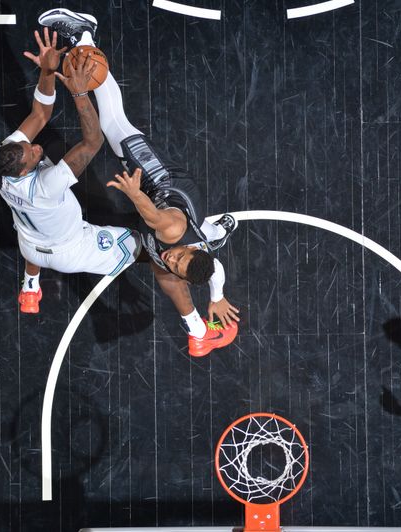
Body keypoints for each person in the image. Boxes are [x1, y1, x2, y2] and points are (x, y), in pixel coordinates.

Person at [38, 8, 240, 357]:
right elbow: (153, 218)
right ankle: (85, 36)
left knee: (166, 278)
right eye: (178, 258)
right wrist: (135, 192)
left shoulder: (193, 263)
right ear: (189, 248)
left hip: (184, 216)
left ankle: (216, 236)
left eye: (175, 262)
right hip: (160, 181)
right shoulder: (173, 233)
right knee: (115, 124)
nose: (172, 259)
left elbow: (213, 270)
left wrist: (217, 298)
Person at [0, 28, 139, 313]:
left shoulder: (0, 165)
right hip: (70, 250)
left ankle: (30, 288)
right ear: (23, 173)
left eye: (30, 147)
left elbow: (40, 114)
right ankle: (196, 326)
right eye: (33, 154)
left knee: (30, 232)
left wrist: (47, 71)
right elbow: (93, 141)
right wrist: (79, 92)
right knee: (139, 246)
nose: (37, 148)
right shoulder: (46, 187)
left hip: (30, 244)